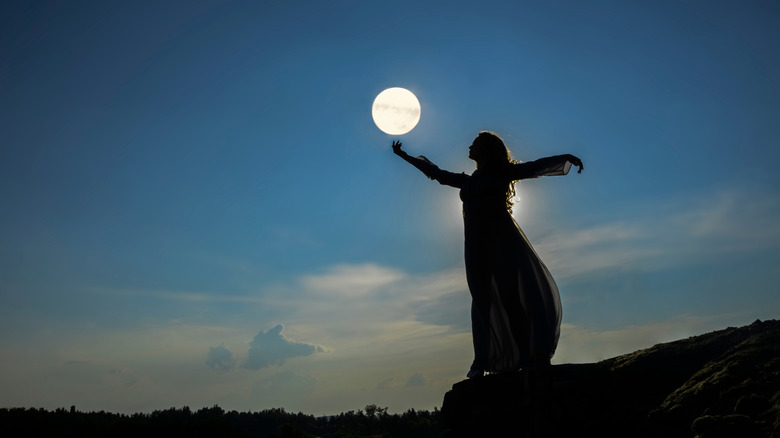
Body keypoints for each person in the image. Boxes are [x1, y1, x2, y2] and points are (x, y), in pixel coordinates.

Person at [392, 131, 583, 378]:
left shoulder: (502, 172)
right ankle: (480, 361)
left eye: (475, 144)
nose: (470, 147)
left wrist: (565, 158)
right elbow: (437, 174)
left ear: (486, 149)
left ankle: (525, 356)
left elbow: (534, 168)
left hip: (502, 241)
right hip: (475, 246)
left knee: (510, 298)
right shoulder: (468, 181)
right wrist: (404, 156)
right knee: (481, 301)